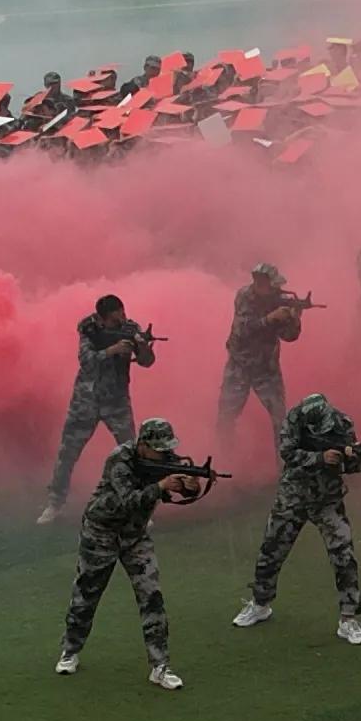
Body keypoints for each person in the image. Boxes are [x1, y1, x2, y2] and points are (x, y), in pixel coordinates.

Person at [55, 418, 198, 687]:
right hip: (101, 533)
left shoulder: (165, 458)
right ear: (143, 445)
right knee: (87, 594)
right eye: (158, 449)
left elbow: (177, 485)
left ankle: (160, 665)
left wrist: (189, 486)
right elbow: (129, 500)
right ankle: (71, 649)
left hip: (135, 536)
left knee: (151, 596)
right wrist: (162, 486)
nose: (164, 454)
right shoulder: (119, 460)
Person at [235, 393, 361, 643]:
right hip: (293, 496)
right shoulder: (293, 420)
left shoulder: (342, 424)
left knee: (344, 556)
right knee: (271, 550)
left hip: (327, 500)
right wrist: (320, 457)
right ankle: (260, 604)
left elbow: (355, 468)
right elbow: (287, 453)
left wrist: (352, 459)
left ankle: (349, 619)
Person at [37, 295, 156, 525]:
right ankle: (55, 503)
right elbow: (86, 361)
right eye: (115, 318)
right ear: (103, 318)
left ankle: (139, 506)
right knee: (68, 453)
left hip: (117, 401)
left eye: (122, 313)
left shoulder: (131, 328)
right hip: (86, 400)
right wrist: (113, 350)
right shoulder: (88, 328)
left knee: (132, 453)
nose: (121, 320)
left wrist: (141, 347)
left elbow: (147, 362)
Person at [213, 264, 303, 448]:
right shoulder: (245, 296)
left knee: (281, 419)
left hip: (266, 368)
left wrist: (294, 319)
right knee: (226, 416)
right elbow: (243, 329)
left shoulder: (281, 300)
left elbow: (289, 337)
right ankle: (225, 462)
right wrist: (269, 319)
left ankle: (286, 468)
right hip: (239, 365)